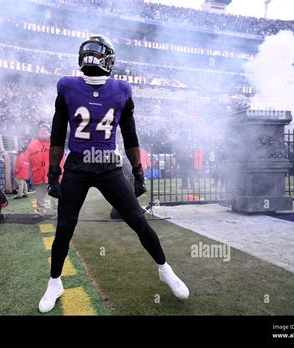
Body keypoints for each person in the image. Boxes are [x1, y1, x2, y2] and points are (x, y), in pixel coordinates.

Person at [38, 36, 189, 313]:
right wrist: (52, 173)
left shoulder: (119, 91)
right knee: (65, 227)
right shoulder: (69, 87)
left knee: (137, 221)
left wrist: (139, 172)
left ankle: (164, 269)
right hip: (78, 166)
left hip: (108, 167)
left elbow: (130, 136)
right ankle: (54, 282)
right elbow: (58, 132)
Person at [24, 123, 58, 218]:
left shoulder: (55, 143)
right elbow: (26, 161)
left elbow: (61, 160)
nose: (44, 132)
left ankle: (57, 213)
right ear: (38, 132)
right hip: (38, 175)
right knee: (40, 196)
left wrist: (60, 174)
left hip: (52, 175)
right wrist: (26, 176)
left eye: (45, 130)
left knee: (55, 196)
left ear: (49, 132)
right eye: (41, 130)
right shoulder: (32, 145)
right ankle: (40, 212)